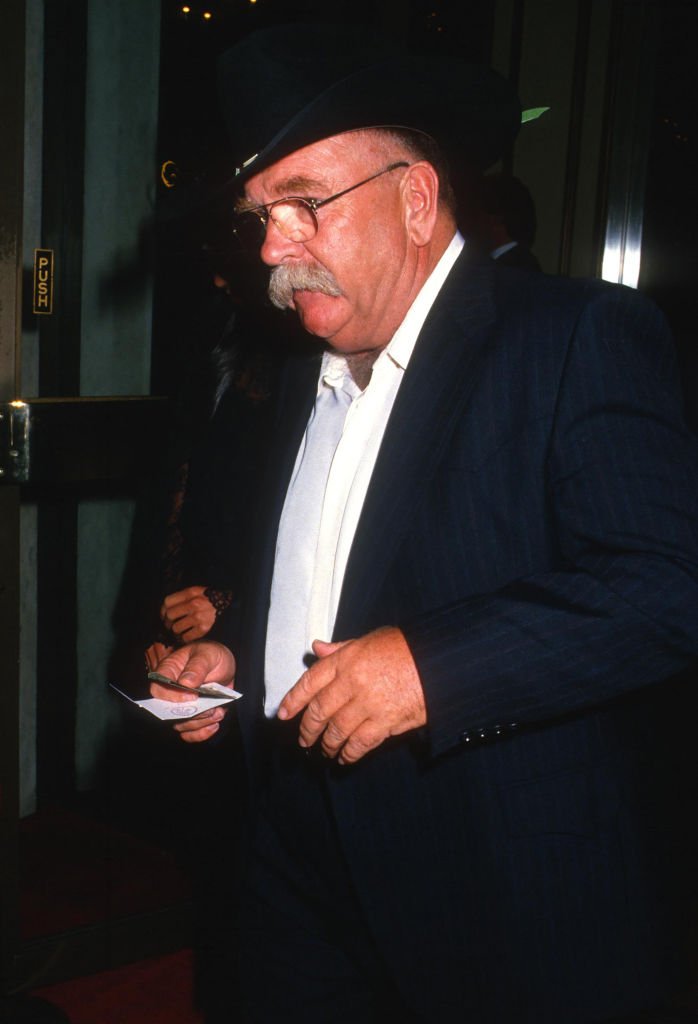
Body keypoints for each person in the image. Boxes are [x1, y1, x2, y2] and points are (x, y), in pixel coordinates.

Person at [147, 25, 698, 1024]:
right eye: (258, 218)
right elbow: (330, 582)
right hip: (292, 865)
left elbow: (665, 585)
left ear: (412, 197)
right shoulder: (294, 377)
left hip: (495, 887)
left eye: (303, 203)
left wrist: (432, 667)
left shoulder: (571, 337)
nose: (272, 247)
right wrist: (236, 662)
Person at [465, 171, 542, 270]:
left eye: (475, 213)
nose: (470, 222)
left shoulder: (509, 271)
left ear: (496, 218)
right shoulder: (521, 263)